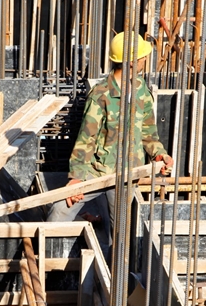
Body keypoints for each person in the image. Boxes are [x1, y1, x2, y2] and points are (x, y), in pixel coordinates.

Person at [47, 31, 173, 238]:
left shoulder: (142, 91)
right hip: (97, 171)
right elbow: (86, 140)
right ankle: (48, 261)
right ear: (131, 62)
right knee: (59, 211)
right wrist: (76, 179)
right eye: (141, 56)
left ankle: (112, 267)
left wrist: (159, 154)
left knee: (121, 236)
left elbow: (149, 134)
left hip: (127, 175)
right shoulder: (101, 95)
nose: (144, 60)